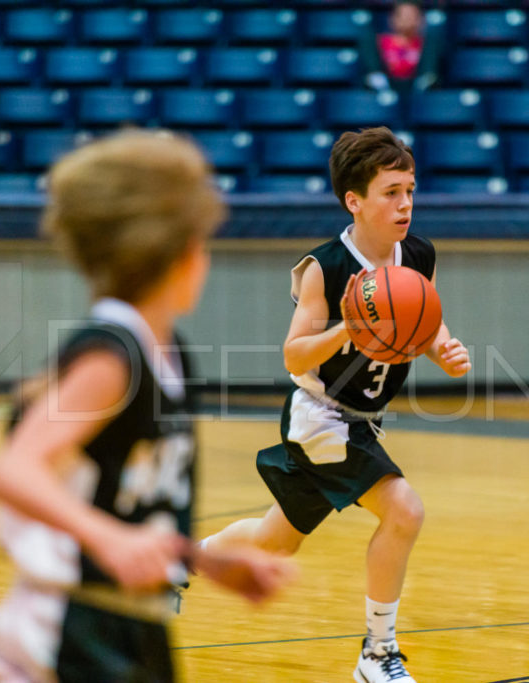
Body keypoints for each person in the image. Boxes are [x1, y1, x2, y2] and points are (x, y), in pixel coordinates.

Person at [0, 130, 295, 682]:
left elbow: (130, 504)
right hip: (63, 634)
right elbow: (13, 471)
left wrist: (203, 561)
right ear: (177, 252)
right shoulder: (112, 358)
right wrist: (109, 540)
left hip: (135, 624)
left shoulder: (166, 355)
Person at [197, 126, 471, 683]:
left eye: (411, 190)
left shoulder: (418, 253)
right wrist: (349, 326)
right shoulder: (326, 267)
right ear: (355, 201)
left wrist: (443, 346)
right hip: (321, 418)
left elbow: (424, 321)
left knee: (277, 542)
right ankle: (377, 654)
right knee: (405, 510)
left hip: (363, 421)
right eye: (391, 192)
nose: (406, 204)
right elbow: (295, 356)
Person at [360, 0, 444, 94]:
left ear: (421, 19)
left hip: (419, 95)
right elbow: (373, 74)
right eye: (403, 15)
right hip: (384, 92)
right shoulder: (378, 42)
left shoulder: (429, 45)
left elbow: (429, 75)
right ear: (392, 18)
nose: (407, 19)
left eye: (412, 16)